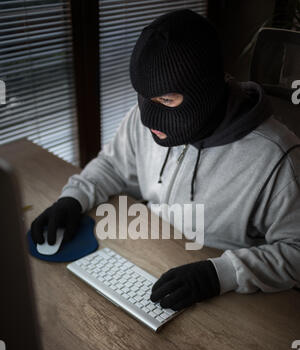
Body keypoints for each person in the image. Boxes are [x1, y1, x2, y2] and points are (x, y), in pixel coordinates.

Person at [31, 9, 300, 311]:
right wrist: (73, 199)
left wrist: (220, 274)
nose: (148, 117)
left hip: (232, 299)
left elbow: (296, 251)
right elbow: (113, 165)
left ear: (205, 90)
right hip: (154, 257)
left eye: (166, 100)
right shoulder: (147, 119)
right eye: (143, 96)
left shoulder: (277, 158)